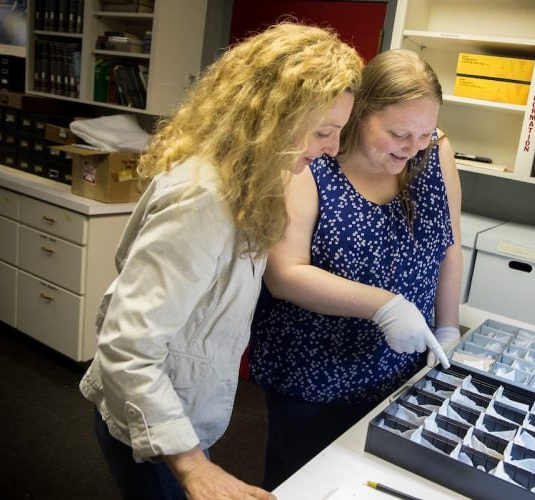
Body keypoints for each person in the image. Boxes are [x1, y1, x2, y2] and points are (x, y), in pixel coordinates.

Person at [78, 23, 363, 500]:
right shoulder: (202, 200)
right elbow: (127, 346)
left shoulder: (248, 180)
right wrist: (192, 467)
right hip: (152, 427)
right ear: (275, 120)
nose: (332, 148)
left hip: (177, 412)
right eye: (324, 132)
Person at [249, 48, 463, 490]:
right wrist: (382, 306)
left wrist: (448, 328)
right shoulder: (312, 161)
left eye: (425, 132)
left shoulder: (434, 152)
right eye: (400, 133)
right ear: (361, 114)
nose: (414, 146)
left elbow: (450, 244)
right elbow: (285, 272)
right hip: (316, 376)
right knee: (308, 486)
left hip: (402, 369)